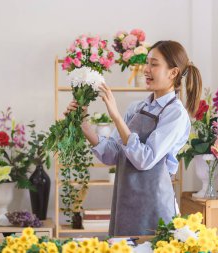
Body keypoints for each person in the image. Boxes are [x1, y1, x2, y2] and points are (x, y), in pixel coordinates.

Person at [64, 40, 202, 236]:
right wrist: (84, 124)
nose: (146, 70)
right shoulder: (137, 108)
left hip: (155, 206)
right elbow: (111, 154)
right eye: (147, 63)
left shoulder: (175, 114)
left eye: (154, 64)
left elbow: (145, 159)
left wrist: (116, 117)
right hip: (125, 201)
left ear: (173, 73)